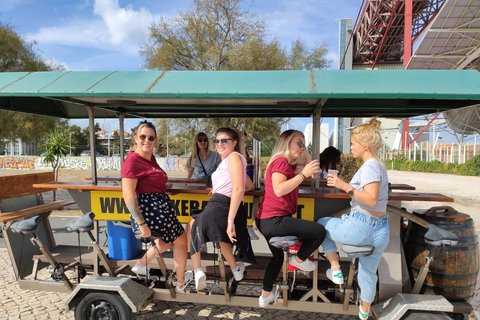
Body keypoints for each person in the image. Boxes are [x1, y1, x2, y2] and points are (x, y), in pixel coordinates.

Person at [317, 117, 389, 320]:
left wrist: (344, 186)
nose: (350, 147)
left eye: (353, 143)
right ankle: (364, 310)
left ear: (365, 146)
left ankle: (336, 269)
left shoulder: (370, 167)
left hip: (362, 227)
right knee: (368, 272)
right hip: (380, 231)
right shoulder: (378, 165)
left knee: (321, 224)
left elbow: (372, 199)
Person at [256, 130, 326, 308]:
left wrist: (304, 149)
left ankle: (265, 296)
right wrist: (302, 175)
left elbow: (314, 171)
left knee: (277, 259)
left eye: (304, 144)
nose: (302, 148)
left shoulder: (289, 165)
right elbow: (279, 190)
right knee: (319, 232)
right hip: (275, 220)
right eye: (298, 143)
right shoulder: (280, 161)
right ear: (286, 142)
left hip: (268, 220)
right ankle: (299, 260)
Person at [121, 120, 192, 293]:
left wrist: (161, 187)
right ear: (136, 138)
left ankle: (142, 264)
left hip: (160, 207)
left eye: (151, 137)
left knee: (170, 241)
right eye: (143, 136)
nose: (147, 140)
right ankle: (180, 282)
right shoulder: (132, 161)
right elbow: (128, 194)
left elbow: (151, 181)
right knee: (181, 241)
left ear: (155, 140)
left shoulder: (150, 158)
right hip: (151, 211)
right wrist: (141, 223)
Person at [187, 127, 256, 291]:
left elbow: (240, 189)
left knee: (192, 226)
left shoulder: (233, 157)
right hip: (223, 201)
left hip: (222, 204)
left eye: (224, 140)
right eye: (217, 140)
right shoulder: (232, 160)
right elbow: (249, 185)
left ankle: (197, 270)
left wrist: (231, 219)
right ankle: (235, 269)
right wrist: (220, 187)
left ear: (234, 142)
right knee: (221, 237)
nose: (219, 144)